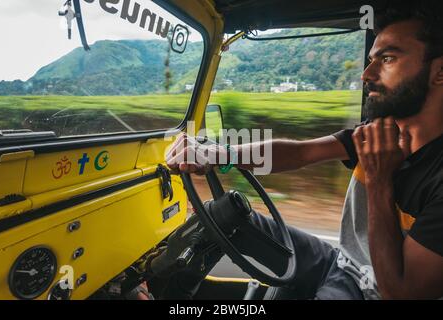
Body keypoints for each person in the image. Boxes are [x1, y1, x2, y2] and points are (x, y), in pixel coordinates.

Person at [164, 1, 443, 299]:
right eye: (371, 59)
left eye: (387, 59)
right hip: (339, 262)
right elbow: (299, 153)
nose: (367, 74)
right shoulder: (375, 134)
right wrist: (222, 154)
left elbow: (400, 292)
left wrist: (379, 181)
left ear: (439, 72)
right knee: (223, 215)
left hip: (370, 292)